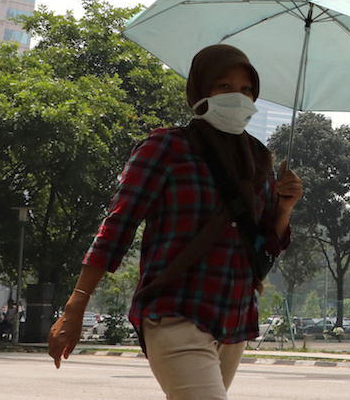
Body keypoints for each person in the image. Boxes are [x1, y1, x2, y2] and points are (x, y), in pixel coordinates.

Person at [48, 45, 302, 399]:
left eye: (246, 90)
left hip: (235, 318)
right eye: (224, 86)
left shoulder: (260, 160)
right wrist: (75, 308)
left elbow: (265, 246)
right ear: (200, 92)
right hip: (175, 311)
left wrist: (285, 208)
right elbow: (117, 227)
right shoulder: (165, 146)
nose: (237, 97)